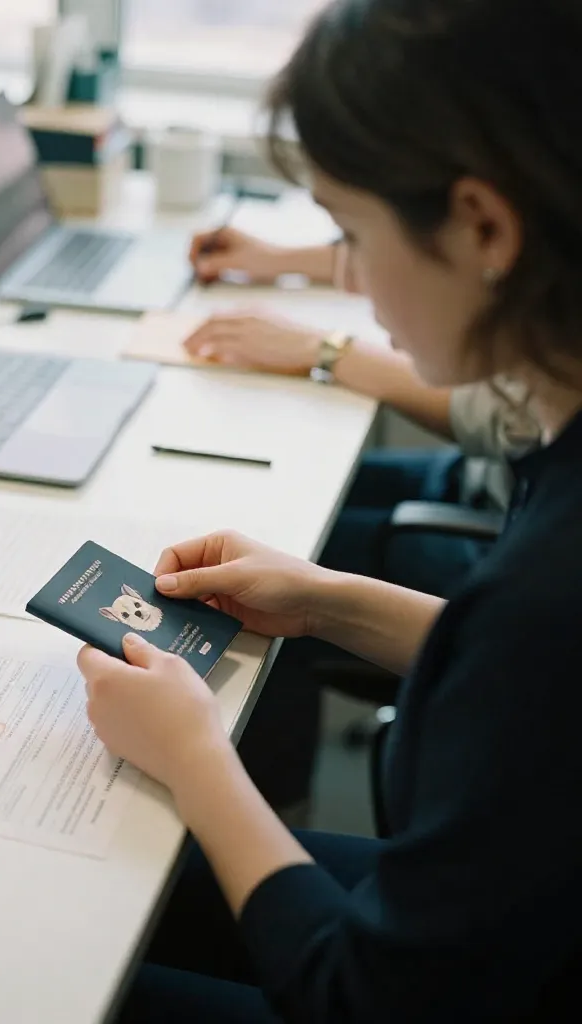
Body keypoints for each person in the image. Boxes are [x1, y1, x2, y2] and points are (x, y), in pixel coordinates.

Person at [78, 0, 582, 1019]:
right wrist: (327, 601)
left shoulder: (545, 591)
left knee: (50, 951)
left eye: (350, 234)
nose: (345, 278)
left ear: (485, 225)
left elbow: (353, 993)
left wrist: (194, 757)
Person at [185, 184, 540, 822]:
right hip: (487, 488)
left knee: (267, 572)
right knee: (264, 528)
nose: (376, 310)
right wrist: (290, 259)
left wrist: (328, 351)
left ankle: (281, 812)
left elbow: (503, 416)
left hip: (494, 538)